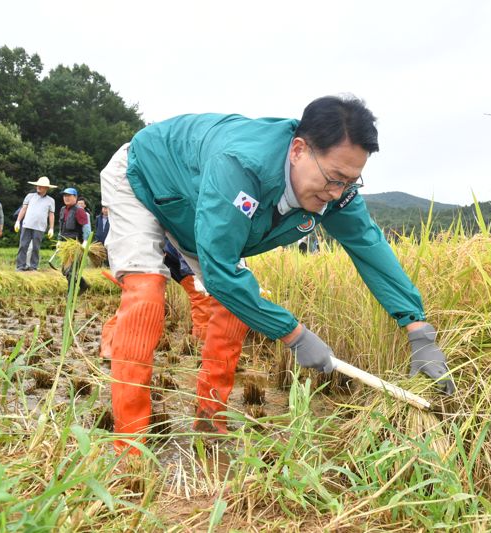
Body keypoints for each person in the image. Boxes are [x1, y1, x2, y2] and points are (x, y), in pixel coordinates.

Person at [100, 95, 454, 455]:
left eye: (350, 182)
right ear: (298, 150)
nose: (337, 193)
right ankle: (129, 447)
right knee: (145, 296)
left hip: (200, 210)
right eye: (333, 179)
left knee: (232, 314)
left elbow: (368, 245)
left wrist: (418, 330)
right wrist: (294, 334)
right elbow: (221, 273)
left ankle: (210, 421)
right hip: (144, 178)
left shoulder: (337, 192)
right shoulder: (241, 167)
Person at [14, 177, 56, 271]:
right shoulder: (30, 196)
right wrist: (18, 221)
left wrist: (51, 228)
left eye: (41, 186)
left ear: (46, 188)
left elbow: (51, 214)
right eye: (38, 185)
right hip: (27, 225)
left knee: (36, 248)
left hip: (40, 227)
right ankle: (20, 266)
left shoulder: (50, 200)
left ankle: (33, 267)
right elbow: (23, 209)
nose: (39, 187)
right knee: (23, 246)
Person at [58, 187, 91, 294]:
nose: (66, 198)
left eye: (69, 196)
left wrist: (86, 241)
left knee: (71, 272)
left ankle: (70, 294)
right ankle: (83, 284)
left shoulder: (79, 211)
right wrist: (59, 240)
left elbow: (86, 227)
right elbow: (61, 227)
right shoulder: (63, 210)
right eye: (65, 196)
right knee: (65, 271)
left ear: (75, 197)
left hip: (76, 244)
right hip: (65, 244)